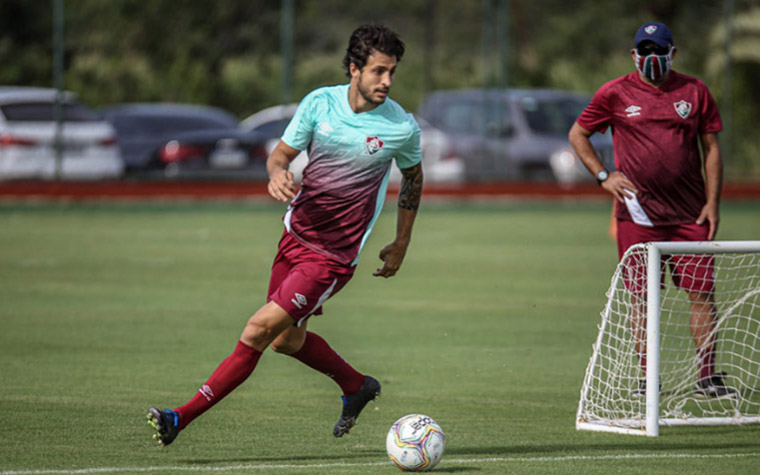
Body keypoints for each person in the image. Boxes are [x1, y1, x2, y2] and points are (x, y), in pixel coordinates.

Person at [147, 24, 424, 446]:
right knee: (284, 340)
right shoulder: (319, 103)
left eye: (392, 72)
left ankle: (179, 417)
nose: (387, 81)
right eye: (379, 71)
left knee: (257, 330)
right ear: (354, 69)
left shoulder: (400, 127)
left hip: (331, 257)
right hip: (294, 236)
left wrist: (402, 242)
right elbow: (281, 155)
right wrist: (277, 173)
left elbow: (413, 178)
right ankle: (356, 385)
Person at [568, 21, 733, 398]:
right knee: (643, 297)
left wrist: (712, 202)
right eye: (645, 51)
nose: (652, 58)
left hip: (691, 214)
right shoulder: (614, 92)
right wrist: (603, 175)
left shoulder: (695, 91)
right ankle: (648, 379)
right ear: (634, 55)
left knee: (702, 293)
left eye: (660, 51)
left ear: (672, 54)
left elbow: (712, 149)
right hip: (637, 215)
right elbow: (578, 134)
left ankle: (707, 377)